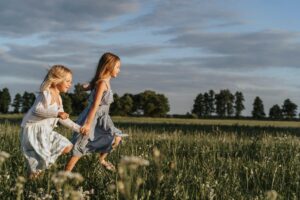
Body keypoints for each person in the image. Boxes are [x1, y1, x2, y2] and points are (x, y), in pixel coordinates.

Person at [66, 52, 126, 172]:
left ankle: (102, 160)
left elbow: (87, 86)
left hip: (103, 118)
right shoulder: (102, 83)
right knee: (81, 145)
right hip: (92, 117)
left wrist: (88, 86)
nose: (119, 70)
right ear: (108, 66)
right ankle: (65, 174)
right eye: (117, 67)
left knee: (116, 137)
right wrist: (88, 124)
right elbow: (95, 105)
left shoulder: (103, 82)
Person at [20, 65, 81, 179]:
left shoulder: (59, 97)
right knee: (41, 164)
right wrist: (57, 114)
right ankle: (32, 179)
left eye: (71, 81)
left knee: (67, 146)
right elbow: (37, 110)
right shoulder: (46, 93)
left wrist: (78, 128)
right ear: (56, 80)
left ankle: (40, 166)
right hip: (34, 131)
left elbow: (63, 119)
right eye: (67, 81)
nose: (70, 84)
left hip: (45, 132)